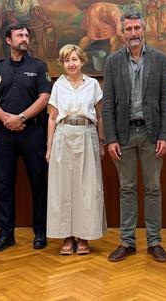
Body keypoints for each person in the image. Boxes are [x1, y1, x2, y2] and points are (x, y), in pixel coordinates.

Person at [102, 12, 166, 262]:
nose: (133, 33)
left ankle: (154, 241)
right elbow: (108, 103)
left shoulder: (160, 59)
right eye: (129, 29)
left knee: (153, 188)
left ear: (144, 30)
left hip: (151, 133)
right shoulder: (112, 61)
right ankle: (127, 241)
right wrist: (110, 138)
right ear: (122, 32)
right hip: (123, 135)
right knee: (127, 188)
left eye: (137, 28)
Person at [0, 24, 52, 252]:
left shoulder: (38, 66)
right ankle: (6, 235)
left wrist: (20, 117)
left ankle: (41, 233)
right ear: (8, 40)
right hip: (5, 134)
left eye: (26, 35)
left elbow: (45, 97)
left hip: (33, 132)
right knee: (4, 184)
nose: (24, 38)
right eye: (19, 35)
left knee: (38, 183)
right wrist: (5, 118)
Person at [45, 44, 107, 255]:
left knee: (86, 188)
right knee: (63, 187)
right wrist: (49, 146)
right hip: (63, 135)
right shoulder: (57, 86)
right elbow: (52, 119)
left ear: (82, 61)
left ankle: (83, 236)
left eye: (74, 59)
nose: (71, 64)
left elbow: (99, 117)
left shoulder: (93, 85)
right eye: (66, 60)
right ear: (62, 64)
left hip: (87, 135)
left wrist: (101, 142)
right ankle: (67, 237)